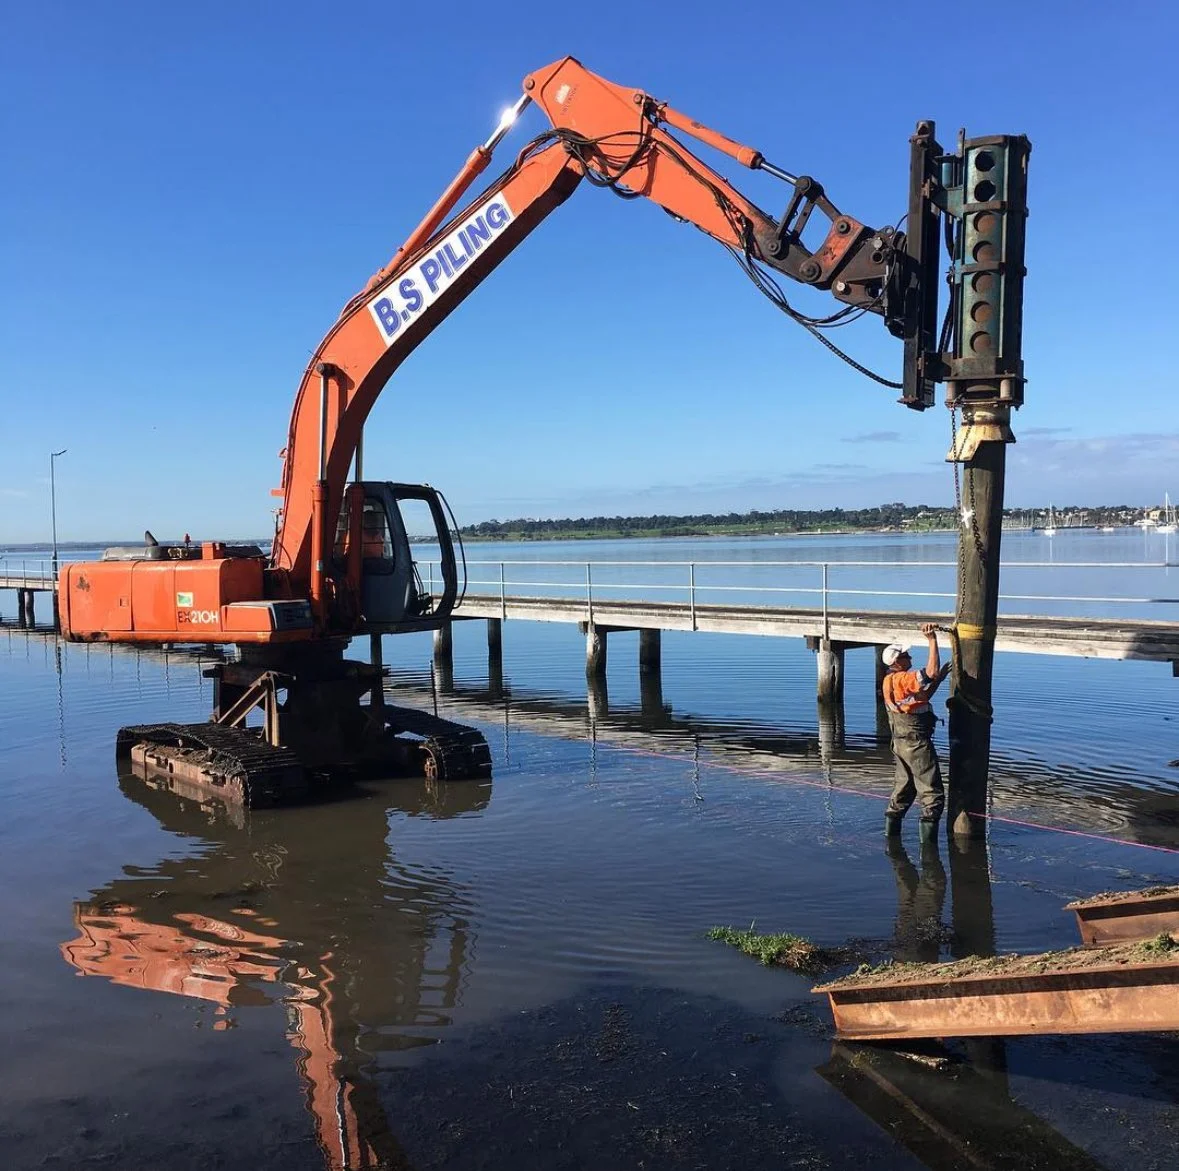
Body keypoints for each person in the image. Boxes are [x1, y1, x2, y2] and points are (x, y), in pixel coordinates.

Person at [881, 624, 952, 842]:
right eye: (905, 655)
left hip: (900, 745)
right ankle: (930, 855)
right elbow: (929, 672)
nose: (910, 656)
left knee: (904, 791)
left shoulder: (889, 681)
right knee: (933, 797)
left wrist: (939, 680)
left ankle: (890, 839)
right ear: (896, 661)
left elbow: (921, 699)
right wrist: (932, 640)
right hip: (916, 744)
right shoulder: (903, 679)